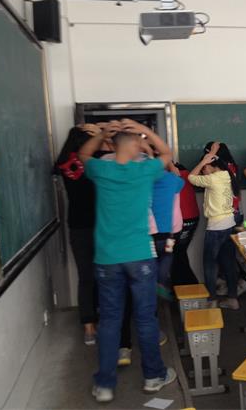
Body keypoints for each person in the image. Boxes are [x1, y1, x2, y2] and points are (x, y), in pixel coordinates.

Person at [78, 119, 176, 403]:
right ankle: (153, 376)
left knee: (110, 320)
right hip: (140, 256)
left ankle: (105, 385)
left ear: (113, 145)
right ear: (135, 146)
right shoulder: (144, 171)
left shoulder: (102, 169)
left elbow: (83, 154)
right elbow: (166, 153)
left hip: (107, 258)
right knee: (145, 318)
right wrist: (143, 129)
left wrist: (101, 135)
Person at [55, 124, 102, 345]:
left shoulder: (65, 164)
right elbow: (117, 151)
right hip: (101, 225)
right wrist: (100, 133)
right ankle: (106, 318)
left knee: (85, 277)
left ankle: (89, 328)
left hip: (77, 227)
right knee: (104, 273)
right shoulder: (95, 163)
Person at [188, 145, 241, 310]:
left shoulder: (212, 178)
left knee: (209, 265)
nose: (203, 171)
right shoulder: (227, 174)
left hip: (216, 226)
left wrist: (203, 161)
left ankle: (211, 300)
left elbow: (191, 177)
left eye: (204, 168)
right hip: (229, 223)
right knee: (229, 263)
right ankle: (233, 299)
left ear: (211, 165)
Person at [151, 162, 185, 298]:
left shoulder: (144, 180)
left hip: (150, 232)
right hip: (170, 232)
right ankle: (161, 284)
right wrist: (171, 166)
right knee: (167, 255)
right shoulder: (172, 180)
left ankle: (153, 286)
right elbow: (181, 181)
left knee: (152, 260)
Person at [171, 162, 200, 285]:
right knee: (179, 252)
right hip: (193, 217)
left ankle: (186, 284)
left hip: (182, 220)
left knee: (176, 254)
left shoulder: (169, 176)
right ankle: (187, 284)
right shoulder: (187, 173)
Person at [204, 141, 242, 225]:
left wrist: (211, 153)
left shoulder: (219, 168)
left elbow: (197, 175)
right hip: (235, 207)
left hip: (222, 211)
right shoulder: (233, 166)